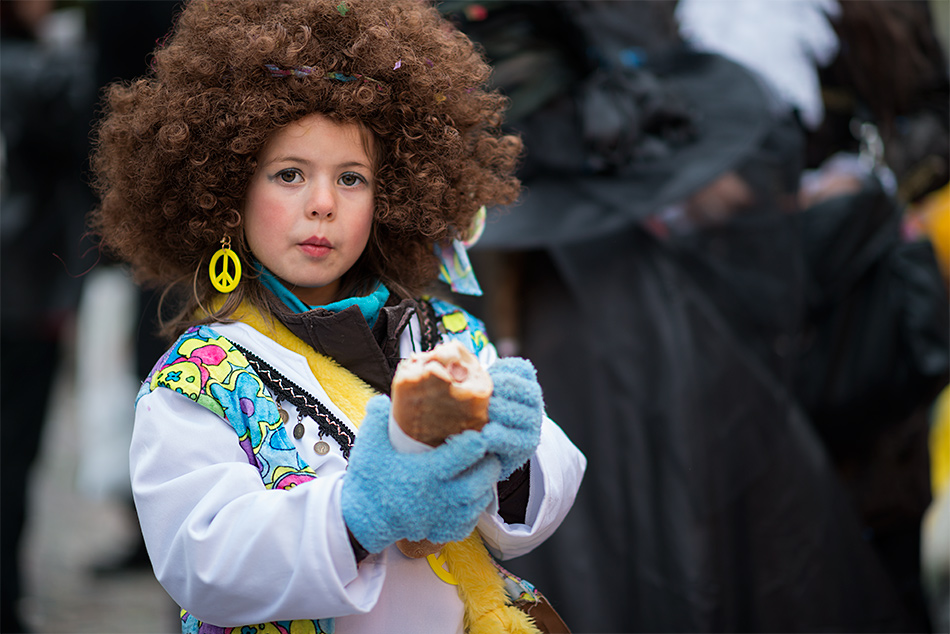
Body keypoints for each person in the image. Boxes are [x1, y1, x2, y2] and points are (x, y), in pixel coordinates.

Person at [87, 1, 585, 633]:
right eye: (290, 174)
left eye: (351, 179)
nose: (322, 204)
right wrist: (357, 514)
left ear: (392, 194)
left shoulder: (446, 334)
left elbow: (535, 514)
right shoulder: (199, 377)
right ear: (227, 195)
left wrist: (514, 460)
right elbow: (201, 560)